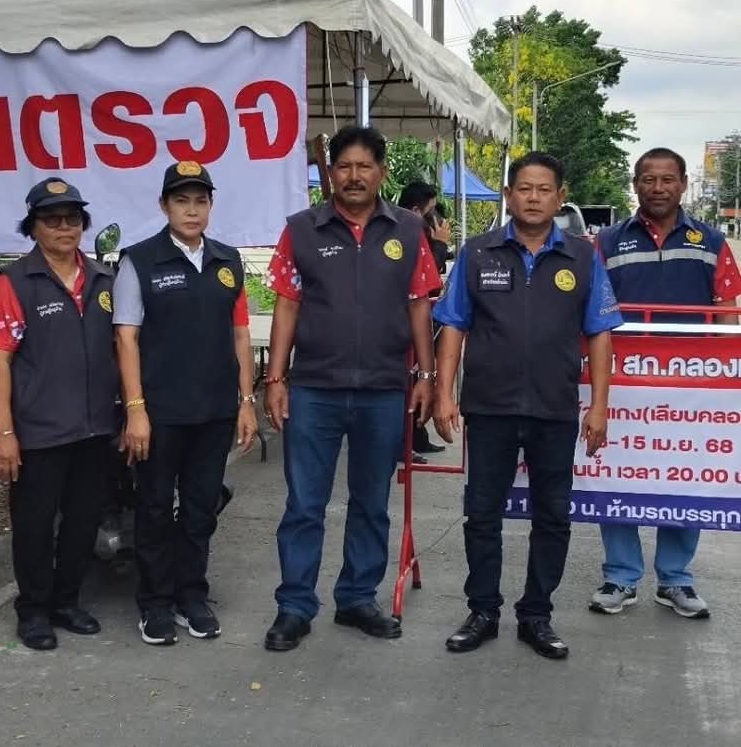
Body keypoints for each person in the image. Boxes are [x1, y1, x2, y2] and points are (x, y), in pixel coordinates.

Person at [432, 151, 621, 660]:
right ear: (509, 195)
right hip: (489, 408)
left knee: (553, 517)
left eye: (544, 189)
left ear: (560, 198)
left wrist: (599, 406)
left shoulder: (583, 257)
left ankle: (536, 615)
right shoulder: (478, 253)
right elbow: (453, 326)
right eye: (524, 188)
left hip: (555, 409)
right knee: (481, 515)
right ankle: (483, 611)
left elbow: (600, 334)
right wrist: (444, 393)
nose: (533, 198)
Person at [262, 125, 440, 652]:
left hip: (383, 389)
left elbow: (419, 305)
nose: (355, 176)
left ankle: (358, 598)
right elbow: (287, 304)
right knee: (304, 503)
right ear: (331, 174)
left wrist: (426, 376)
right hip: (314, 388)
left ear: (381, 172)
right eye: (345, 166)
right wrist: (275, 378)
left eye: (365, 166)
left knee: (371, 501)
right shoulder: (301, 230)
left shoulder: (408, 229)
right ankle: (295, 606)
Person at [589, 147, 741, 619]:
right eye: (648, 179)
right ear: (635, 184)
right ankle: (620, 576)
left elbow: (728, 311)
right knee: (618, 472)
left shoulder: (710, 241)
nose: (658, 188)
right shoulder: (607, 242)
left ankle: (675, 579)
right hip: (622, 381)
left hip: (690, 388)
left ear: (683, 185)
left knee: (684, 474)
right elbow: (592, 309)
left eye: (668, 179)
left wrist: (725, 376)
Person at [114, 160, 257, 646]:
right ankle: (155, 602)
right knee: (155, 508)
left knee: (201, 509)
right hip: (159, 414)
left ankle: (191, 595)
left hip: (214, 411)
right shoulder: (139, 261)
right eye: (181, 201)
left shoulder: (227, 262)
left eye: (200, 201)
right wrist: (135, 409)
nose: (192, 210)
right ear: (164, 206)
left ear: (211, 206)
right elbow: (126, 338)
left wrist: (246, 401)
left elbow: (240, 335)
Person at [0, 177, 117, 651]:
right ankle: (34, 610)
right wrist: (3, 432)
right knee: (35, 526)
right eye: (52, 220)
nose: (64, 227)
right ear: (33, 227)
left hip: (95, 427)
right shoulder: (15, 282)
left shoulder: (104, 279)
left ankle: (66, 601)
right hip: (38, 431)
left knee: (83, 522)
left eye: (72, 219)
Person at [397, 181, 450, 460]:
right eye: (432, 212)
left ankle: (417, 437)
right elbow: (424, 280)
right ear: (417, 211)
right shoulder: (404, 233)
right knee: (408, 383)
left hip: (420, 320)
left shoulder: (418, 232)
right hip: (405, 324)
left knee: (419, 379)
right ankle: (404, 443)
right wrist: (439, 244)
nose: (437, 219)